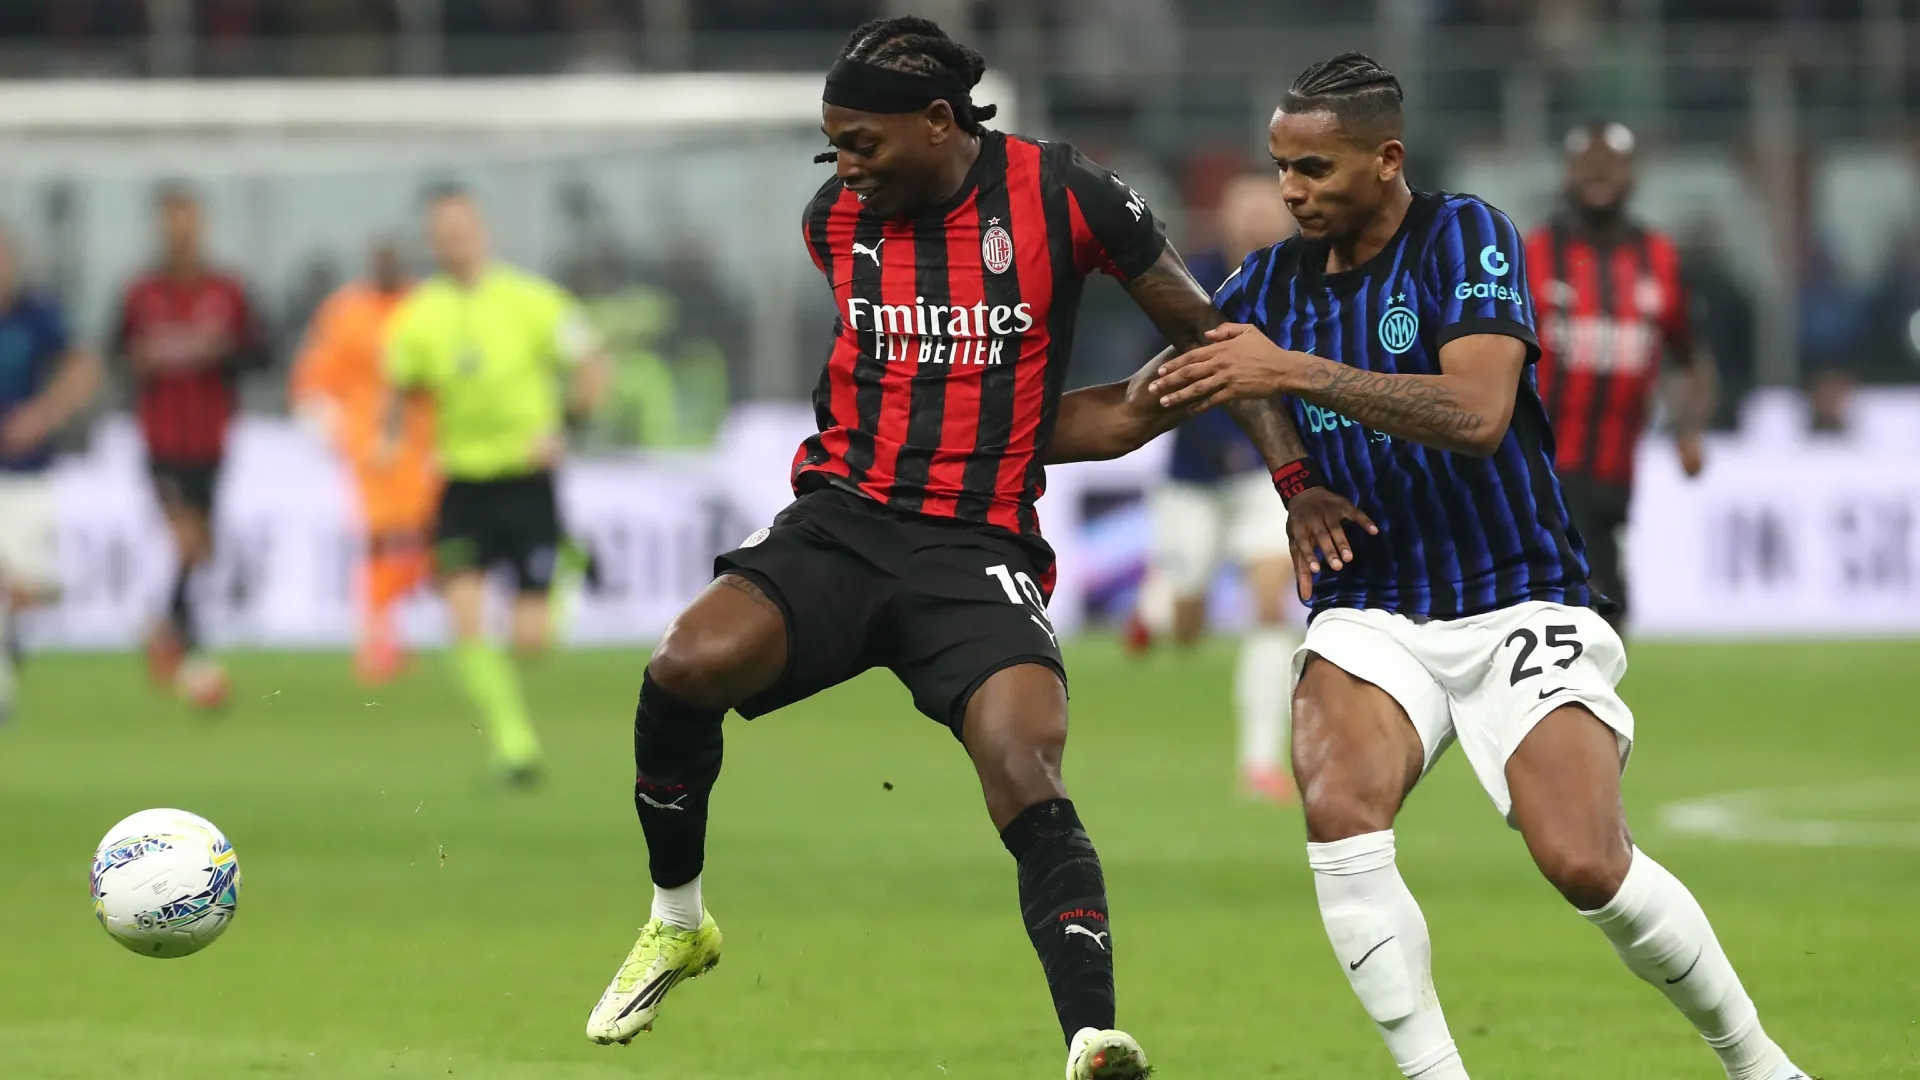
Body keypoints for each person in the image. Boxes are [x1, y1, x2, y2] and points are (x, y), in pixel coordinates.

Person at [581, 18, 1358, 1080]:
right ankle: (679, 919)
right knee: (682, 668)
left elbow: (1210, 338)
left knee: (1024, 762)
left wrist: (1292, 480)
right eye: (834, 147)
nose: (844, 169)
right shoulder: (840, 221)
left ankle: (1092, 1037)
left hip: (976, 544)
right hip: (844, 519)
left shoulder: (1068, 196)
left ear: (940, 123)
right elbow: (915, 380)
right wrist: (1076, 418)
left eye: (862, 144)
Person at [1146, 54, 1809, 1080]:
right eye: (1282, 167)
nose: (1291, 191)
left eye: (1314, 169)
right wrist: (1290, 476)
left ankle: (1760, 1064)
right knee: (1337, 805)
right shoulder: (1273, 279)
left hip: (1515, 591)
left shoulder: (1465, 237)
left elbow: (1477, 413)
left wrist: (1293, 371)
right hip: (1373, 601)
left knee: (1584, 861)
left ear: (1385, 159)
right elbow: (1186, 383)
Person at [380, 185, 609, 784]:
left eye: (462, 226)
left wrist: (567, 425)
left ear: (482, 230)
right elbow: (402, 391)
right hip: (463, 486)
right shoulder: (419, 315)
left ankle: (566, 556)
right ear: (432, 241)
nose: (454, 239)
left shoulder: (531, 300)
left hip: (528, 483)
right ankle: (515, 746)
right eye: (442, 230)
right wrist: (388, 440)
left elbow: (591, 364)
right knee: (464, 620)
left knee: (531, 641)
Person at [1126, 171, 1302, 804]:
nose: (1257, 221)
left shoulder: (1303, 279)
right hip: (1195, 479)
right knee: (1188, 627)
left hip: (1267, 471)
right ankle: (1157, 601)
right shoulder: (1188, 281)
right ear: (1224, 219)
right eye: (1245, 210)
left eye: (1267, 210)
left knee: (1268, 606)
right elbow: (1155, 378)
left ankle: (1259, 764)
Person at [1527, 120, 1713, 635]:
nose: (1599, 172)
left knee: (1608, 617)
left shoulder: (1659, 259)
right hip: (1539, 470)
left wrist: (1689, 428)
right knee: (1584, 611)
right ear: (1567, 174)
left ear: (1633, 175)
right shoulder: (1532, 256)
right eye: (1587, 162)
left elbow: (1691, 356)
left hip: (1617, 475)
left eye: (1612, 162)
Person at [112, 183, 269, 708]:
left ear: (201, 225)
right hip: (163, 437)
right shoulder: (140, 294)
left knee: (202, 547)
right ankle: (190, 653)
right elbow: (117, 354)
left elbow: (261, 352)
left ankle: (163, 631)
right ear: (161, 227)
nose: (181, 231)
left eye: (189, 220)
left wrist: (224, 352)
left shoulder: (228, 291)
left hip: (212, 436)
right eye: (171, 221)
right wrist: (141, 361)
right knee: (189, 542)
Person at [290, 240, 435, 685]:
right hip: (368, 446)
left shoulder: (426, 305)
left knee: (425, 538)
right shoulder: (345, 310)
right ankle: (377, 636)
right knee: (381, 537)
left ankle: (385, 624)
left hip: (423, 443)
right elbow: (315, 373)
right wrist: (322, 418)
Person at [0, 227, 103, 724]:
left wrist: (42, 415)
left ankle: (13, 646)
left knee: (31, 587)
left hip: (26, 475)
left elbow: (83, 368)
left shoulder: (37, 315)